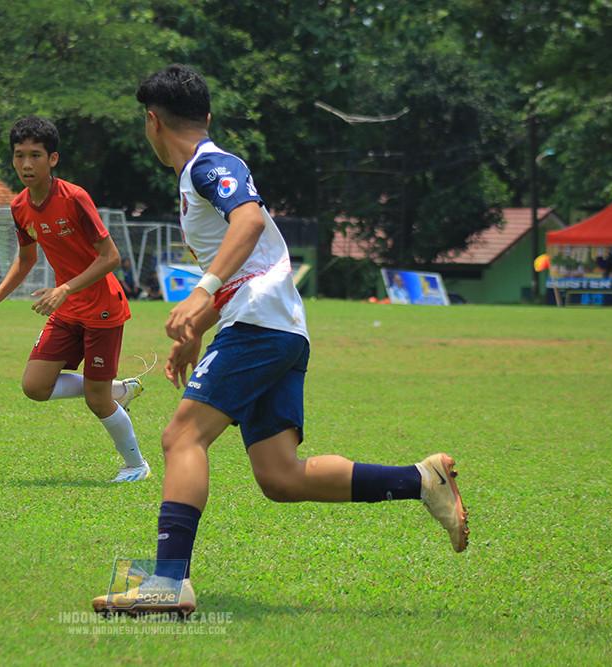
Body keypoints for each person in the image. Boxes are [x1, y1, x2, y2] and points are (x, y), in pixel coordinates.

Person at [92, 64, 469, 615]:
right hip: (276, 327)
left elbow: (248, 223)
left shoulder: (211, 165)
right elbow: (252, 258)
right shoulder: (201, 173)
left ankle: (168, 582)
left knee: (181, 438)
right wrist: (198, 327)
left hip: (259, 325)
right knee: (280, 476)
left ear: (152, 121)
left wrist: (199, 294)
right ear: (206, 114)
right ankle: (421, 480)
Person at [0, 116, 151, 483]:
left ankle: (136, 466)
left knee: (96, 401)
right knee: (34, 387)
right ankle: (119, 389)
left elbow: (111, 258)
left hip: (102, 308)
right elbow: (26, 259)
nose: (26, 164)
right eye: (19, 155)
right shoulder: (19, 206)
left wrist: (66, 288)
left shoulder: (74, 198)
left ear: (52, 159)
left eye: (35, 155)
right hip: (67, 308)